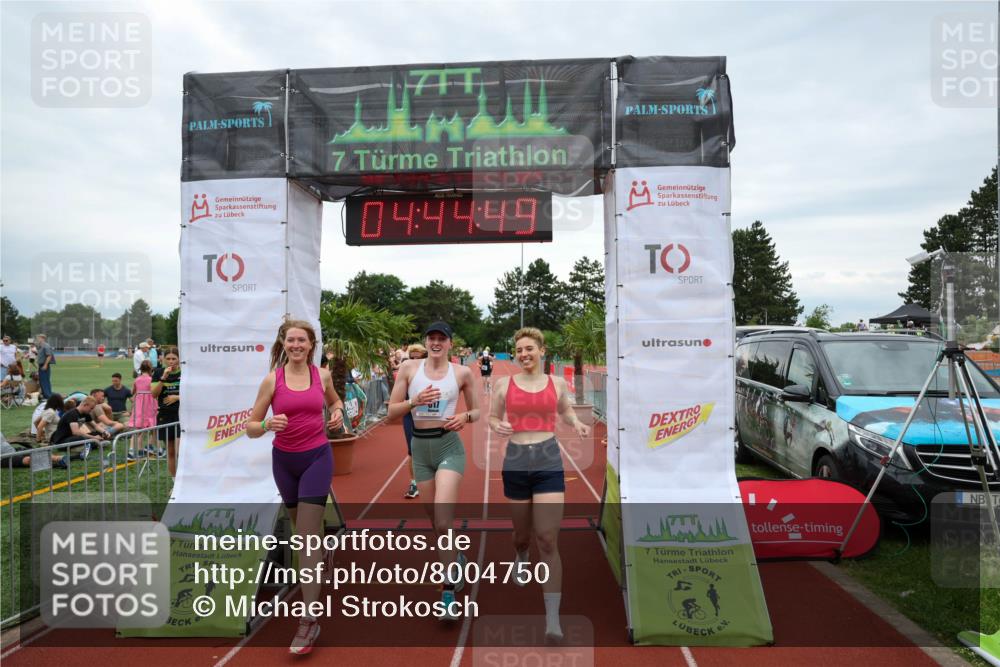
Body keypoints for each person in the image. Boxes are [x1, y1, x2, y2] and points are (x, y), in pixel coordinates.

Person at [247, 319, 344, 655]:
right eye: (291, 340)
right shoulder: (272, 380)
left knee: (304, 537)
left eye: (302, 340)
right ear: (284, 344)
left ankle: (309, 619)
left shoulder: (323, 376)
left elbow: (335, 402)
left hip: (317, 458)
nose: (297, 345)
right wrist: (266, 423)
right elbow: (250, 427)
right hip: (284, 463)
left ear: (311, 344)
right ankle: (320, 551)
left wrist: (337, 412)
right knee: (301, 531)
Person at [489, 327, 590, 642]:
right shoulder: (503, 384)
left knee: (547, 539)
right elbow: (491, 417)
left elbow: (566, 411)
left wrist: (576, 422)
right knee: (522, 536)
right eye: (519, 350)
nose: (524, 354)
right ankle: (521, 555)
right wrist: (497, 424)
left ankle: (552, 619)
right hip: (516, 460)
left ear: (542, 351)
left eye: (529, 348)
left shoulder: (556, 383)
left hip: (548, 459)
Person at [388, 321, 479, 620]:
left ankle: (448, 594)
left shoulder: (462, 372)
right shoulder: (409, 369)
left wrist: (465, 417)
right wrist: (414, 401)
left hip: (448, 447)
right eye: (432, 338)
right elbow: (390, 413)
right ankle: (457, 557)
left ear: (450, 343)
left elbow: (477, 411)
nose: (436, 342)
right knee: (436, 522)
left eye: (442, 338)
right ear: (425, 341)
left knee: (442, 519)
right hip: (420, 450)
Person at [402, 343, 428, 499]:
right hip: (410, 415)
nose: (414, 361)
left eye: (418, 358)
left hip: (429, 415)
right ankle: (414, 483)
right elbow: (397, 399)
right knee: (412, 449)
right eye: (412, 358)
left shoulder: (432, 372)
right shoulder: (405, 372)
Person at [151, 347, 181, 476]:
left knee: (180, 451)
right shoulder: (158, 372)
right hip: (165, 415)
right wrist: (163, 378)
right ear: (163, 359)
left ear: (179, 359)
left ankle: (185, 480)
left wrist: (177, 397)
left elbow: (194, 393)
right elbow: (154, 394)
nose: (171, 361)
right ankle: (175, 481)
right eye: (168, 359)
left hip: (181, 414)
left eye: (174, 358)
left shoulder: (185, 372)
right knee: (171, 451)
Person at [127, 361, 158, 460]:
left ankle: (133, 450)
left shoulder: (137, 379)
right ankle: (150, 446)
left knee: (138, 428)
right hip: (150, 404)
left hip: (139, 404)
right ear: (150, 369)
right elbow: (155, 392)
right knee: (152, 426)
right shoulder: (152, 379)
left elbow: (132, 392)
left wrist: (139, 392)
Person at [36, 334, 55, 399]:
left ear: (42, 338)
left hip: (44, 365)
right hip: (41, 365)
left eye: (38, 338)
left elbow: (49, 356)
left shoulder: (46, 346)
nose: (37, 339)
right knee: (42, 381)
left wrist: (45, 365)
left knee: (45, 381)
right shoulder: (41, 346)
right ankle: (46, 395)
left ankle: (48, 396)